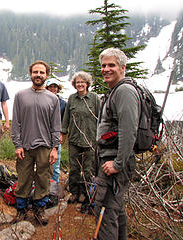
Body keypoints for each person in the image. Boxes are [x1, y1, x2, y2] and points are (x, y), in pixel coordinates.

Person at [94, 48, 140, 239]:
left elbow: (128, 131)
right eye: (103, 65)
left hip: (114, 163)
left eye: (111, 65)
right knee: (115, 209)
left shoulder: (125, 91)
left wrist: (118, 164)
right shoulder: (116, 91)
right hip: (110, 161)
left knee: (104, 212)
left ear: (122, 67)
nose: (106, 69)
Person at [11, 60, 61, 225]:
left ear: (46, 75)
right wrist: (17, 144)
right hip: (24, 146)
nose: (38, 75)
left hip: (45, 147)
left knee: (43, 178)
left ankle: (40, 209)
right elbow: (16, 122)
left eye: (41, 72)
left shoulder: (52, 99)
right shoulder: (20, 96)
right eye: (35, 72)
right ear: (30, 74)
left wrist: (55, 148)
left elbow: (56, 126)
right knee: (23, 178)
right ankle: (21, 210)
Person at [61, 71, 100, 211]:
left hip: (91, 139)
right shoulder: (72, 99)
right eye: (78, 82)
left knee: (89, 169)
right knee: (74, 168)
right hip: (74, 139)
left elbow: (101, 118)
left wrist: (101, 136)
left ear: (87, 84)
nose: (80, 84)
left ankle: (86, 193)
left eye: (83, 82)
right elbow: (66, 117)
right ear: (74, 84)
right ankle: (74, 192)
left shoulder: (94, 98)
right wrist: (62, 132)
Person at [45, 78, 66, 183]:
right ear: (47, 88)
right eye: (51, 87)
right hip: (43, 135)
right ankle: (43, 184)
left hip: (56, 135)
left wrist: (61, 134)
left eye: (55, 87)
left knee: (55, 162)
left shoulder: (62, 103)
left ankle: (54, 186)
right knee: (43, 161)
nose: (53, 89)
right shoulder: (42, 99)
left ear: (58, 89)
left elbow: (64, 120)